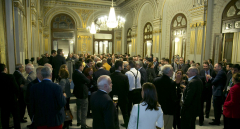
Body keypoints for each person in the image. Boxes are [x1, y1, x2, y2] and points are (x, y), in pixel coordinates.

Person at [153, 65, 176, 129]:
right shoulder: (172, 83)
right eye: (172, 70)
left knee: (157, 124)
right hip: (168, 108)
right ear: (169, 72)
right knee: (168, 125)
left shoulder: (156, 80)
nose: (173, 72)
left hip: (157, 106)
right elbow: (173, 97)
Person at [0, 63, 21, 129]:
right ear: (5, 69)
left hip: (2, 100)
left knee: (4, 116)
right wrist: (17, 97)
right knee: (16, 116)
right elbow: (16, 88)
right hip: (12, 99)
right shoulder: (10, 76)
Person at [110, 60, 130, 128]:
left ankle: (116, 125)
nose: (123, 67)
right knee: (125, 112)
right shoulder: (124, 76)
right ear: (119, 67)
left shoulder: (111, 76)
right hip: (123, 97)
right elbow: (127, 88)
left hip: (114, 96)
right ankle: (127, 124)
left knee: (115, 111)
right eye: (122, 66)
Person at [72, 61, 92, 129]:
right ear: (80, 67)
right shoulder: (80, 74)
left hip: (77, 92)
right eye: (82, 66)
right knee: (84, 109)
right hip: (83, 93)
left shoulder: (74, 73)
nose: (83, 67)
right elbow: (88, 81)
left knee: (78, 108)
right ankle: (83, 125)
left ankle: (79, 121)